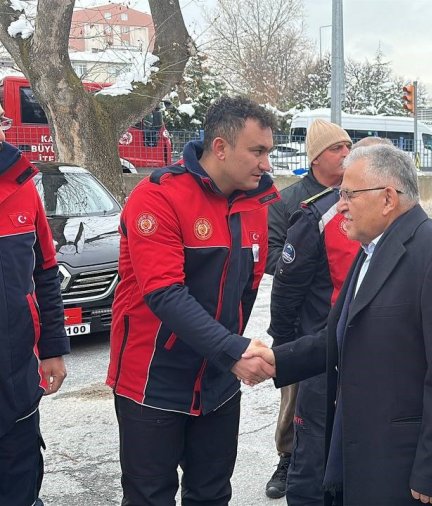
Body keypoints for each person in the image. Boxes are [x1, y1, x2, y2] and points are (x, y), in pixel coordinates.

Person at [248, 143, 432, 505]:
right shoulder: (372, 249)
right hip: (369, 452)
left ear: (388, 198)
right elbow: (343, 334)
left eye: (349, 194)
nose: (340, 204)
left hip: (406, 466)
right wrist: (279, 360)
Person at [106, 96, 279, 505]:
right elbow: (164, 293)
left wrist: (231, 353)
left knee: (212, 494)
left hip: (218, 381)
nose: (267, 164)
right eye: (257, 151)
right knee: (150, 497)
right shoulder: (158, 197)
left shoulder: (256, 203)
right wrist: (232, 350)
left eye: (268, 152)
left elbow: (247, 290)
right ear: (220, 147)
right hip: (153, 381)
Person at [264, 119, 352, 500]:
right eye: (336, 149)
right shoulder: (290, 202)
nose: (345, 154)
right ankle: (288, 458)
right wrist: (308, 262)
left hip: (339, 326)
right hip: (306, 323)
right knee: (297, 404)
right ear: (316, 158)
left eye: (348, 147)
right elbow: (276, 258)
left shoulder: (354, 194)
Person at [0, 109, 69, 506]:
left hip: (17, 379)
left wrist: (53, 349)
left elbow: (45, 271)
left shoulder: (22, 185)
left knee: (22, 486)